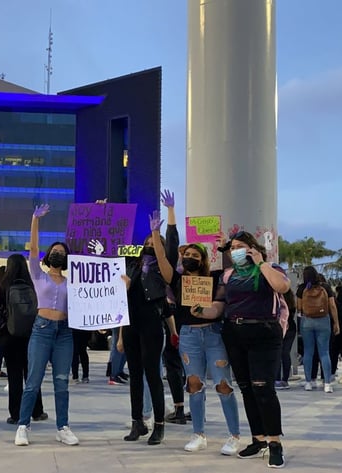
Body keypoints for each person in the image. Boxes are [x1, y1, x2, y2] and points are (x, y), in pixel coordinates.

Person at [203, 231, 290, 468]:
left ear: (252, 247)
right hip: (235, 333)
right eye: (233, 247)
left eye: (241, 246)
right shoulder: (228, 275)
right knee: (247, 389)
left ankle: (275, 443)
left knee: (263, 388)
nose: (236, 251)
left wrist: (261, 262)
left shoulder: (270, 267)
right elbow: (220, 305)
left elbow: (281, 287)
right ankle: (258, 439)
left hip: (264, 332)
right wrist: (200, 310)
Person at [14, 204, 78, 447]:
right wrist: (34, 220)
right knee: (33, 380)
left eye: (62, 252)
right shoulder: (37, 274)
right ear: (49, 255)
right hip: (41, 330)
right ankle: (23, 425)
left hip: (64, 333)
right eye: (55, 251)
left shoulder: (73, 282)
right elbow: (33, 249)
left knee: (61, 381)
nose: (58, 254)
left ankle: (63, 426)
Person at [173, 239, 241, 455]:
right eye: (187, 255)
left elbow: (232, 269)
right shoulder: (179, 280)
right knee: (194, 385)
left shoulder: (214, 278)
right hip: (188, 336)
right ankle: (198, 434)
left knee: (223, 385)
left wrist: (225, 248)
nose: (190, 258)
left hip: (213, 334)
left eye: (195, 255)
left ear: (203, 260)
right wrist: (161, 234)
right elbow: (166, 268)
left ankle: (234, 435)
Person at [118, 192, 175, 446]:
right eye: (148, 241)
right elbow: (108, 248)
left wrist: (158, 234)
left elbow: (165, 260)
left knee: (152, 373)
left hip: (152, 323)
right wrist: (120, 334)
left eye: (154, 241)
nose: (150, 244)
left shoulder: (162, 267)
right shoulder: (132, 263)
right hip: (131, 323)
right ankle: (136, 421)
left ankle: (159, 425)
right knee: (135, 374)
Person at [0, 255, 48, 424]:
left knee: (14, 376)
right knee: (32, 374)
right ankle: (37, 411)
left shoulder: (3, 286)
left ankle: (15, 414)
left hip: (10, 334)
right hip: (31, 335)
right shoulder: (32, 285)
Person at [296, 266, 339, 393]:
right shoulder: (325, 287)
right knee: (324, 352)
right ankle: (327, 384)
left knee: (308, 352)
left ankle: (309, 382)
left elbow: (298, 307)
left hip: (307, 321)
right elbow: (332, 305)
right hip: (323, 321)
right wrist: (336, 322)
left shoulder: (302, 289)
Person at [275, 290, 297, 389]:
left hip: (280, 327)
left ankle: (277, 379)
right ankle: (285, 379)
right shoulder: (291, 301)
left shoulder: (278, 299)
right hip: (291, 328)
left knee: (277, 354)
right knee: (286, 353)